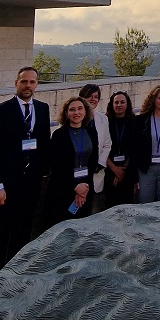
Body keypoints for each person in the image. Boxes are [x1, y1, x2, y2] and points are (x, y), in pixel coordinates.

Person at [0, 67, 50, 278]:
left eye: (32, 82)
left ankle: (14, 282)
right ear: (16, 83)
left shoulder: (43, 108)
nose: (28, 86)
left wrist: (42, 177)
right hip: (5, 188)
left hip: (29, 186)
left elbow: (43, 145)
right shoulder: (1, 111)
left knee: (22, 236)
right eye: (24, 82)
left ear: (37, 84)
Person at [43, 96, 100, 228]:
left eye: (80, 109)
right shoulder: (59, 135)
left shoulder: (91, 132)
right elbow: (57, 167)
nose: (76, 113)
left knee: (82, 227)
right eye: (72, 110)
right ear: (66, 113)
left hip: (86, 188)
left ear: (85, 112)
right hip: (63, 189)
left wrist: (83, 188)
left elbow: (93, 161)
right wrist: (75, 187)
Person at [80, 83, 112, 215]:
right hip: (79, 174)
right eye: (89, 96)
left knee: (95, 211)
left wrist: (100, 163)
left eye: (96, 96)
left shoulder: (103, 119)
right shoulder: (74, 117)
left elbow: (107, 144)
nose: (93, 99)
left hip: (97, 173)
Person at [102, 91, 136, 209]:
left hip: (128, 171)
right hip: (109, 170)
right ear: (111, 104)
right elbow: (101, 148)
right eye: (116, 102)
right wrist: (115, 169)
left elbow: (135, 148)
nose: (119, 105)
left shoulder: (134, 122)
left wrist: (122, 170)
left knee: (127, 206)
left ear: (127, 104)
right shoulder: (105, 122)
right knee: (110, 206)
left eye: (122, 102)